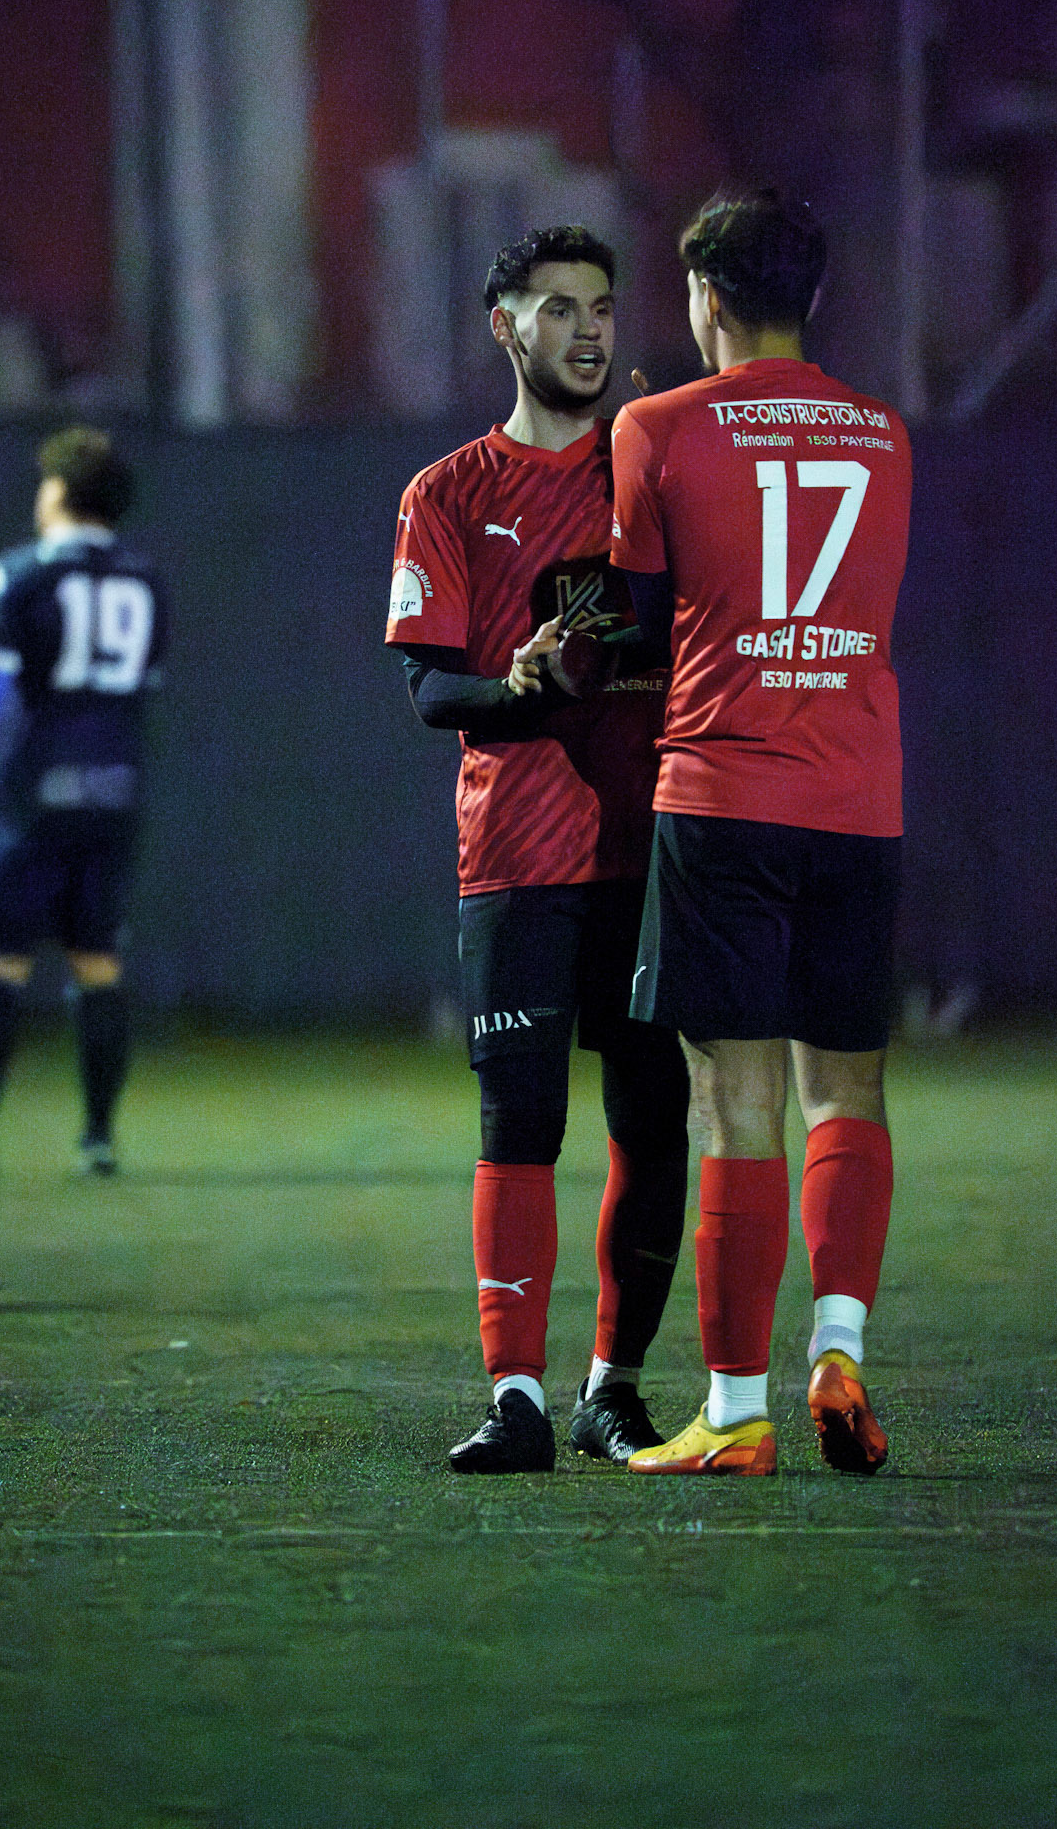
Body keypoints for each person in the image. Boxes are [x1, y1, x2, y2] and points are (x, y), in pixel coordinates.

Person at [605, 189, 911, 1477]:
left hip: (725, 798)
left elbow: (636, 624)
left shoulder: (655, 425)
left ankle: (734, 1409)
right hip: (858, 799)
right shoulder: (886, 436)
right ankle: (837, 1344)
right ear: (814, 297)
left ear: (709, 299)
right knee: (844, 1084)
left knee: (732, 1100)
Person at [386, 225, 690, 1475]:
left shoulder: (656, 476)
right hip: (515, 849)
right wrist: (512, 686)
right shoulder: (449, 491)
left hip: (651, 849)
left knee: (655, 1118)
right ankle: (514, 1394)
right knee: (520, 1121)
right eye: (559, 307)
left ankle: (611, 1390)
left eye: (605, 307)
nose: (590, 329)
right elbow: (429, 695)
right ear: (503, 327)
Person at [0, 427, 169, 1182]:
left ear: (56, 492)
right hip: (115, 788)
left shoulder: (19, 574)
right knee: (97, 965)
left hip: (32, 792)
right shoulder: (146, 579)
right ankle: (96, 1140)